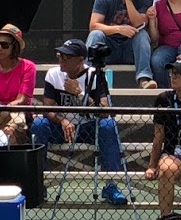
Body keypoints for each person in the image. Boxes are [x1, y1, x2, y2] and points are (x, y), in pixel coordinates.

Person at [30, 38, 127, 202]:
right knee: (39, 124)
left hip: (88, 127)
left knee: (108, 125)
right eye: (60, 56)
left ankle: (111, 186)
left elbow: (105, 111)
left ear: (80, 60)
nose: (61, 60)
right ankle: (39, 184)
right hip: (61, 128)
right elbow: (47, 109)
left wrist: (80, 94)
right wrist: (62, 120)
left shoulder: (95, 76)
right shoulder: (53, 74)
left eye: (66, 57)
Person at [145, 58, 181, 220]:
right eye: (172, 73)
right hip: (171, 153)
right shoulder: (163, 99)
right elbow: (158, 135)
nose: (173, 77)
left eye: (179, 73)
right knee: (166, 169)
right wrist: (152, 165)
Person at [86, 0, 155, 89]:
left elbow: (139, 23)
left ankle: (144, 78)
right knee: (96, 34)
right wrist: (118, 29)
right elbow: (94, 25)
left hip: (130, 48)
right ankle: (88, 76)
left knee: (142, 35)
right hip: (108, 47)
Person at [0, 23, 36, 142]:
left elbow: (22, 99)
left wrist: (5, 115)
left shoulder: (28, 66)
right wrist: (1, 117)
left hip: (18, 112)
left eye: (4, 45)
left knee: (11, 131)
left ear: (14, 47)